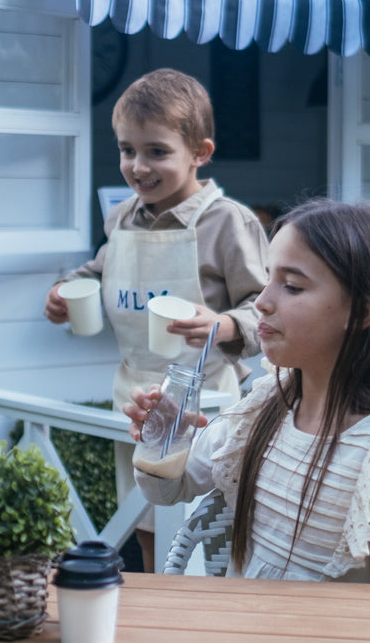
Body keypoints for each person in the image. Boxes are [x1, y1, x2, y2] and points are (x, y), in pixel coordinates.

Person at [126, 198, 370, 584]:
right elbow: (167, 489)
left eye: (291, 286)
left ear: (362, 313)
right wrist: (164, 438)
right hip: (247, 639)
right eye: (268, 278)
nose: (261, 302)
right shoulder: (264, 410)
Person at [43, 67, 269, 567]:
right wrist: (63, 292)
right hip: (136, 404)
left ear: (200, 153)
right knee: (147, 528)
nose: (138, 166)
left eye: (157, 152)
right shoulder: (122, 216)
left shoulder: (227, 221)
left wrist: (223, 325)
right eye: (127, 150)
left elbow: (267, 311)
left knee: (211, 536)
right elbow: (97, 271)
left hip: (208, 408)